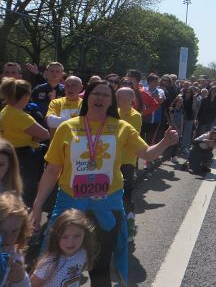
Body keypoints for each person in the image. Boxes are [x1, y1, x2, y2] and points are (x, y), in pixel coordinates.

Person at [29, 80, 179, 286]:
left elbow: (146, 153)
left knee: (99, 268)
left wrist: (165, 143)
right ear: (87, 97)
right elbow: (53, 169)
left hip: (106, 206)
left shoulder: (121, 127)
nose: (100, 98)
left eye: (105, 95)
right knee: (57, 264)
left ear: (111, 102)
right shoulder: (67, 127)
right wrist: (37, 205)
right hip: (71, 205)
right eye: (95, 94)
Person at [0, 78, 50, 207]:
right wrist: (34, 138)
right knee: (26, 191)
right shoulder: (20, 116)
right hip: (25, 157)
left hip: (11, 153)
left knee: (12, 188)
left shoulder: (5, 110)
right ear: (26, 96)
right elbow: (45, 134)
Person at [30, 209, 95, 287]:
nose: (70, 242)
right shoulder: (50, 263)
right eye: (64, 237)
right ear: (56, 236)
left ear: (85, 234)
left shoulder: (82, 253)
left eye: (77, 236)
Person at [115, 87, 142, 243]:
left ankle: (130, 224)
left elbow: (127, 138)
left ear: (131, 100)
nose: (117, 99)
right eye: (117, 97)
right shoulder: (113, 112)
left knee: (126, 194)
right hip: (110, 160)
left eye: (121, 97)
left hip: (126, 161)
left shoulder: (135, 116)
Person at [0, 191, 31, 287]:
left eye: (15, 231)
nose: (9, 238)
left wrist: (20, 279)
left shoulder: (16, 253)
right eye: (2, 231)